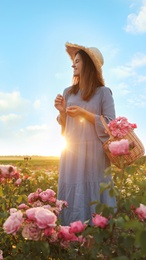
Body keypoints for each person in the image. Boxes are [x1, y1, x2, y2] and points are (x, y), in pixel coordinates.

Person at [54, 42, 116, 226]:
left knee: (95, 192)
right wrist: (62, 112)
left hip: (94, 156)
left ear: (88, 64)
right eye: (73, 61)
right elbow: (65, 130)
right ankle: (71, 239)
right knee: (72, 196)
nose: (73, 65)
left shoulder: (104, 93)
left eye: (78, 61)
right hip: (72, 153)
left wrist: (83, 113)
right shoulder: (68, 92)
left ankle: (97, 239)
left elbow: (111, 124)